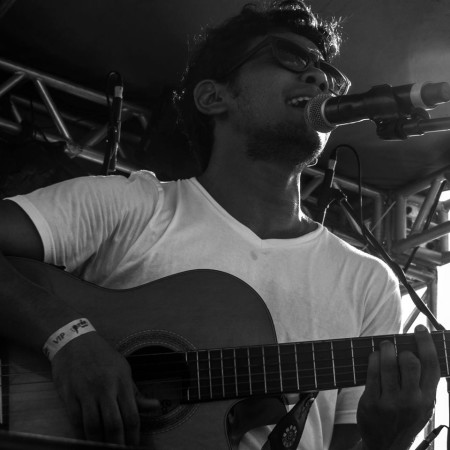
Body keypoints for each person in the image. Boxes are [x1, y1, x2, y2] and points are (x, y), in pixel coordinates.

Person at [0, 1, 440, 449]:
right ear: (214, 97)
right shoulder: (132, 206)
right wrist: (66, 337)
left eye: (327, 71)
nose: (318, 77)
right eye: (290, 57)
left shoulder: (369, 282)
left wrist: (389, 441)